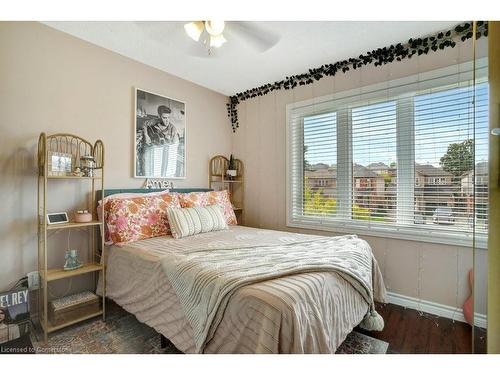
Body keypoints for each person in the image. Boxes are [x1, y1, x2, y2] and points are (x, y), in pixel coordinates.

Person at [140, 105, 180, 177]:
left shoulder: (173, 129)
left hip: (166, 158)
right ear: (159, 116)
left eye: (168, 117)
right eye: (164, 118)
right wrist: (146, 135)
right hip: (153, 156)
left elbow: (175, 146)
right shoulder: (155, 121)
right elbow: (144, 124)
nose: (167, 120)